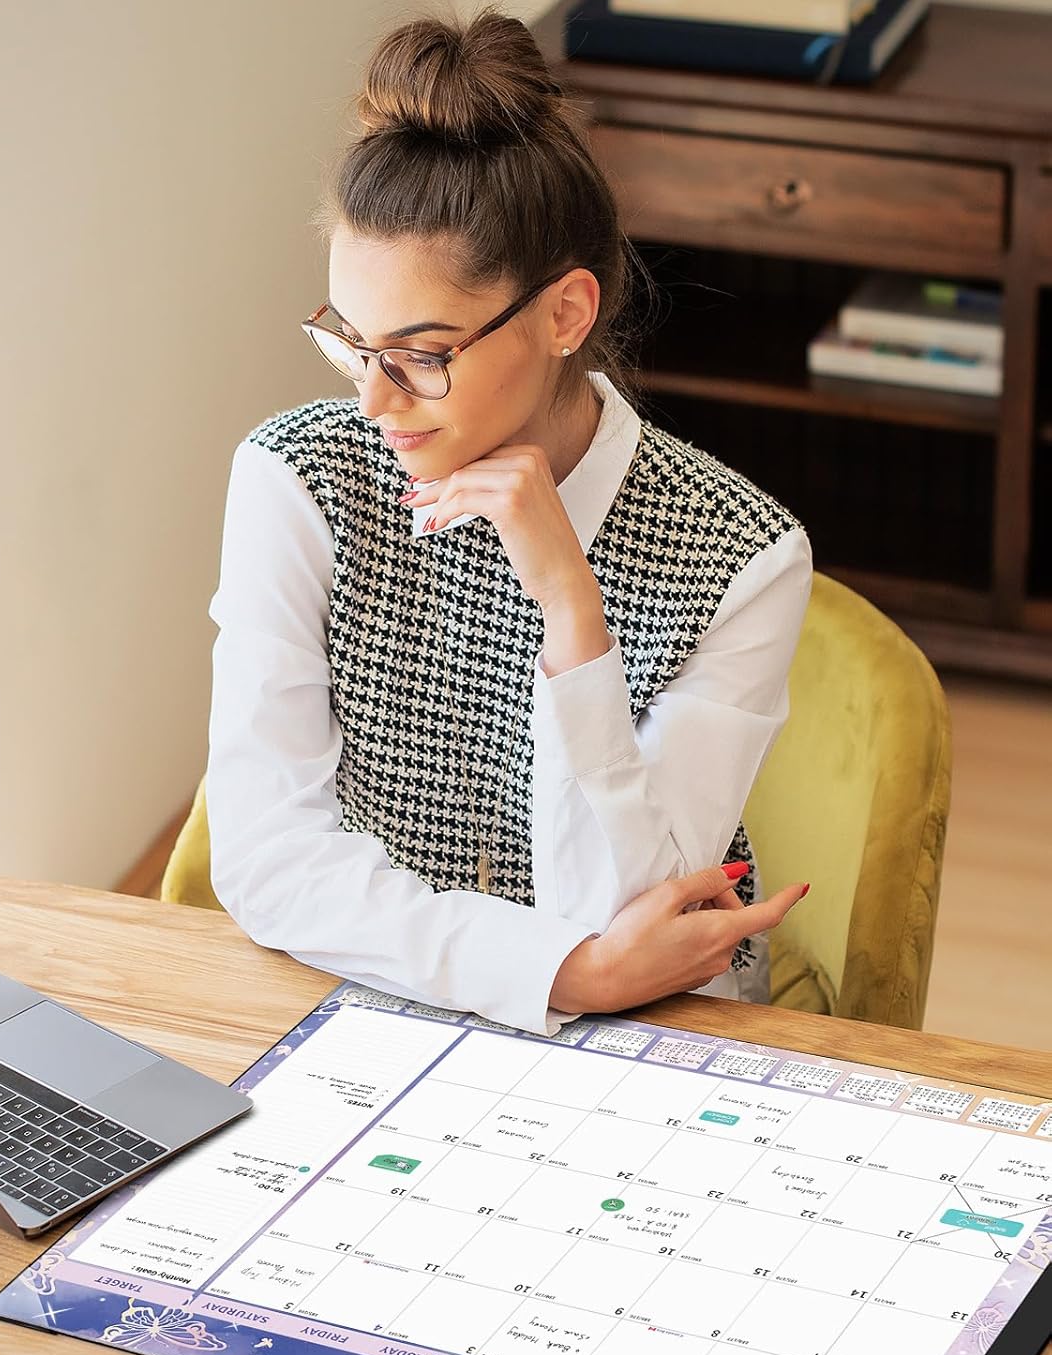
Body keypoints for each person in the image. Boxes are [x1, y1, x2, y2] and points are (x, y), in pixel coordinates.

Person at [204, 5, 812, 1037]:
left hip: (651, 1034)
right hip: (374, 999)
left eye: (421, 354)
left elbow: (636, 923)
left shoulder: (744, 554)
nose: (375, 402)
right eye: (354, 344)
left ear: (564, 314)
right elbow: (269, 859)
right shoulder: (299, 479)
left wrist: (573, 611)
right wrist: (564, 973)